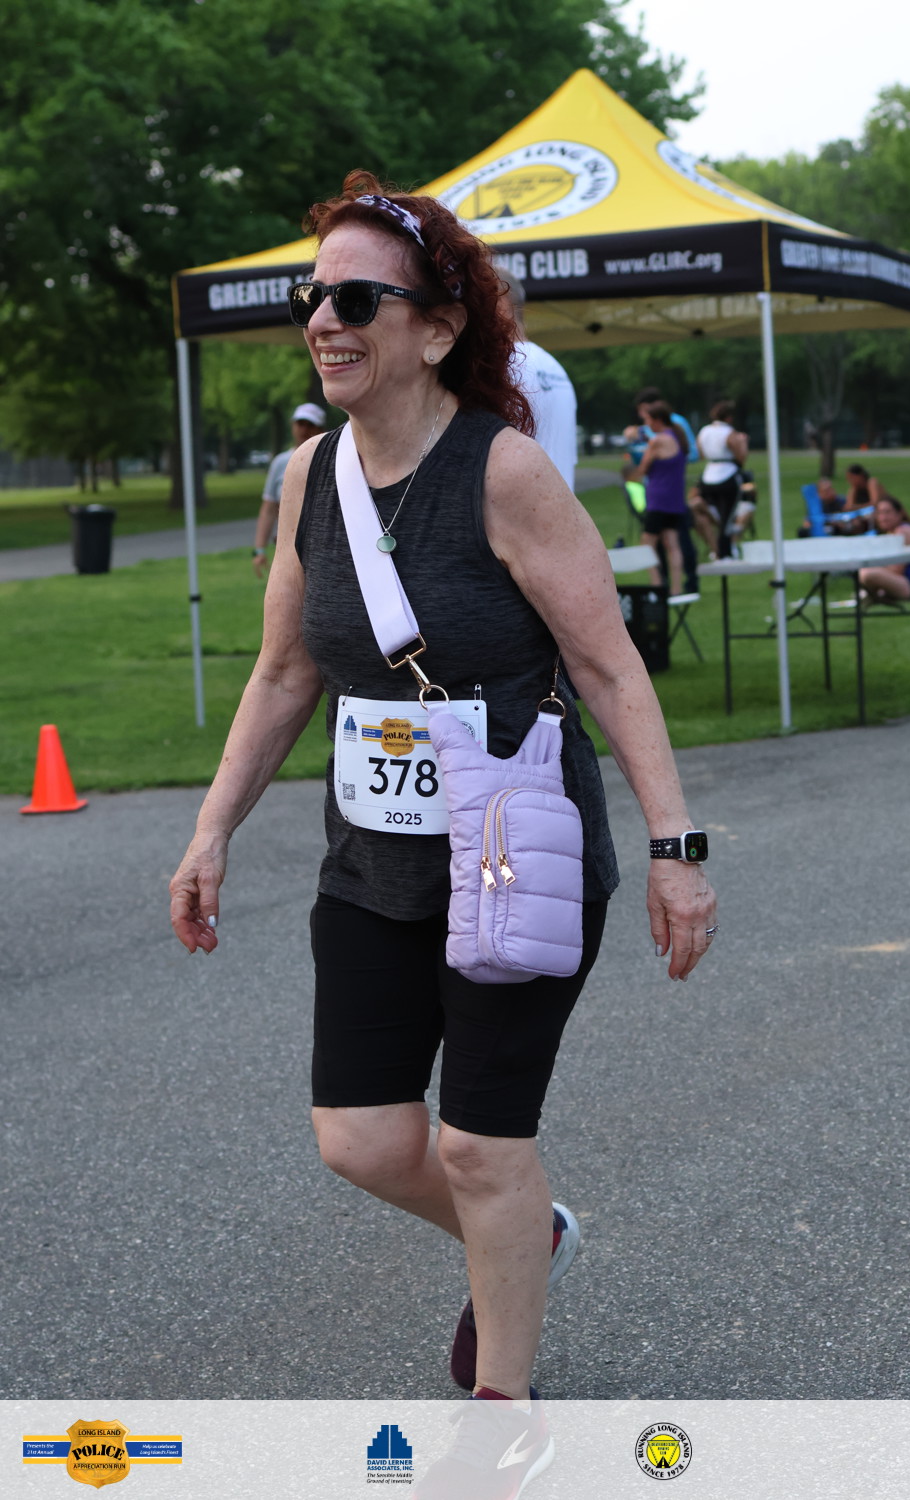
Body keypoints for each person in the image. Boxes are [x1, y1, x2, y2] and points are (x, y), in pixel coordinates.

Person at [168, 172, 716, 1471]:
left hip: (519, 850)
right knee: (361, 1140)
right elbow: (285, 671)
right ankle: (531, 1237)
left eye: (356, 299)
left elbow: (609, 667)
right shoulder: (310, 475)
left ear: (437, 326)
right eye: (312, 298)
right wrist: (211, 830)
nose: (323, 321)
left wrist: (674, 850)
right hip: (373, 860)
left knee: (477, 1143)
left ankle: (503, 1413)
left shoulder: (505, 473)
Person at [502, 271, 577, 490]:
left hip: (522, 506)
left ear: (500, 304)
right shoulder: (554, 366)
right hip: (559, 503)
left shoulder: (504, 367)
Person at [624, 386, 699, 591]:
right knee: (673, 545)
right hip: (675, 500)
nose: (646, 424)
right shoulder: (678, 437)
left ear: (657, 420)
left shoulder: (657, 442)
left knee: (646, 543)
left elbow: (642, 468)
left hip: (658, 499)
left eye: (648, 420)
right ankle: (676, 589)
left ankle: (657, 584)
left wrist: (636, 443)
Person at [252, 402, 327, 577]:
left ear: (321, 429)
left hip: (321, 547)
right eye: (300, 424)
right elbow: (269, 508)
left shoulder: (331, 459)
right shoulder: (280, 462)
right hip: (286, 548)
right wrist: (259, 549)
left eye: (310, 425)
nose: (304, 430)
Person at [859, 485, 910, 602]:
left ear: (899, 514)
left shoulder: (903, 532)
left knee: (867, 573)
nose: (883, 518)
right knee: (867, 571)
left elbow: (896, 570)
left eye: (887, 512)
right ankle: (876, 595)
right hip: (908, 583)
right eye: (879, 513)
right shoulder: (892, 533)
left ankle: (875, 595)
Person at [695, 400, 749, 558]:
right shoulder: (730, 432)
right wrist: (744, 442)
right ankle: (725, 552)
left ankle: (714, 548)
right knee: (727, 517)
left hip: (708, 476)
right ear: (729, 417)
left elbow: (700, 453)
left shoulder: (704, 431)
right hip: (727, 475)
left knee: (714, 513)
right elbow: (741, 457)